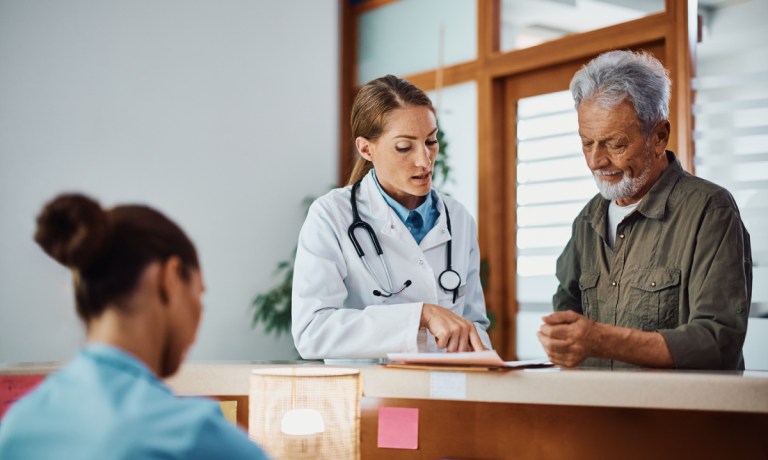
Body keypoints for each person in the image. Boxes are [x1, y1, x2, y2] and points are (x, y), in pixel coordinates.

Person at [0, 194, 269, 459]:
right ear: (170, 277)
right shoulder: (192, 436)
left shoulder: (18, 427)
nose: (199, 316)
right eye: (199, 296)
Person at [537, 50, 752, 370]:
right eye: (587, 143)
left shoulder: (710, 211)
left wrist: (601, 340)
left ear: (659, 136)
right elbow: (566, 310)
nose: (596, 161)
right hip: (597, 415)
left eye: (615, 144)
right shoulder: (586, 220)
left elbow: (717, 342)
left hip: (673, 418)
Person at [292, 75, 491, 359]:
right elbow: (313, 331)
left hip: (446, 393)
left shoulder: (457, 218)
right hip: (372, 393)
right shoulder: (331, 216)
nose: (424, 160)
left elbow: (474, 322)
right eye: (404, 147)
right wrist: (420, 315)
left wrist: (478, 350)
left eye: (431, 141)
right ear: (366, 148)